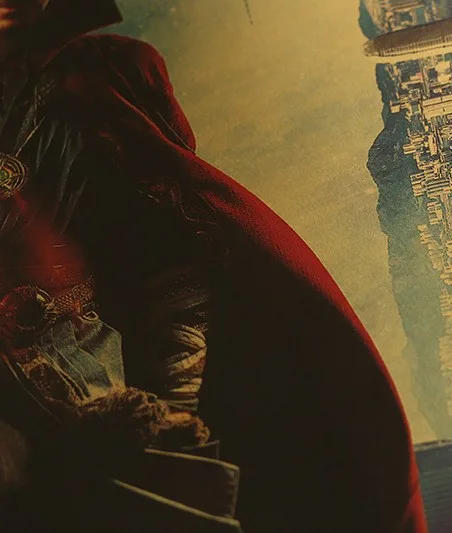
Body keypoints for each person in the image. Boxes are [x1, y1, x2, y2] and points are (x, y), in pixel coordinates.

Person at [0, 0, 427, 531]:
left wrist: (167, 410)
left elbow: (168, 264)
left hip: (79, 412)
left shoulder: (95, 91)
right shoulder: (86, 87)